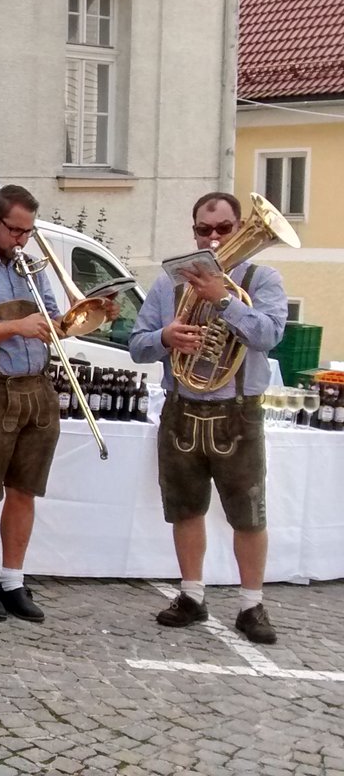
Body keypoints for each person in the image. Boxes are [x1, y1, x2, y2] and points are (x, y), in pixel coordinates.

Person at [0, 185, 117, 624]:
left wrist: (87, 315)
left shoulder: (31, 267)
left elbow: (54, 325)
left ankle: (13, 580)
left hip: (36, 387)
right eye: (16, 230)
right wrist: (16, 326)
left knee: (24, 491)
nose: (22, 239)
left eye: (28, 231)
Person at [129, 191, 286, 644]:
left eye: (224, 229)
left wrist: (223, 300)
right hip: (182, 407)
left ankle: (252, 604)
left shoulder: (262, 278)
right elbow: (138, 344)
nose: (214, 238)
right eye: (204, 230)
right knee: (185, 507)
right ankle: (192, 594)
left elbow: (269, 335)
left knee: (248, 513)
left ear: (239, 229)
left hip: (237, 412)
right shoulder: (168, 284)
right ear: (193, 231)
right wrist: (165, 335)